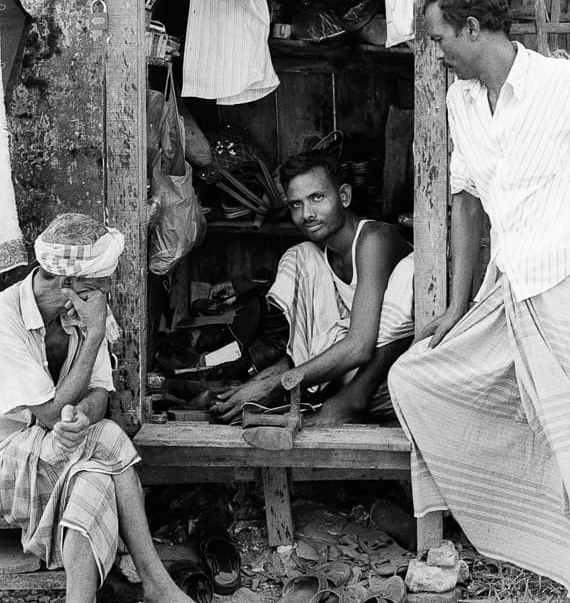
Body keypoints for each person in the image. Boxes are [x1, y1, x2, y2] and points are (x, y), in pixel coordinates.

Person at [388, 0, 570, 594]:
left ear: (473, 29)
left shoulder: (561, 85)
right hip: (507, 288)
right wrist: (458, 303)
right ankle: (517, 536)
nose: (436, 53)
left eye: (440, 38)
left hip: (562, 282)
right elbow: (465, 201)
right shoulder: (460, 101)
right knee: (415, 376)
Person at [0, 212, 197, 603]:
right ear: (68, 282)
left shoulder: (88, 308)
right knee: (107, 439)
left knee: (94, 478)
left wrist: (82, 417)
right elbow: (50, 415)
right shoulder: (4, 317)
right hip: (8, 463)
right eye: (99, 281)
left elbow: (99, 395)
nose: (106, 288)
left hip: (66, 456)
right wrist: (91, 339)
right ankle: (156, 581)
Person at [212, 149, 414, 426]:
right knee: (302, 254)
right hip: (346, 373)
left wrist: (278, 385)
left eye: (317, 198)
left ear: (343, 196)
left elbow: (360, 347)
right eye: (296, 204)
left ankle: (344, 401)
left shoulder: (374, 239)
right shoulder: (324, 257)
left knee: (410, 272)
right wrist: (262, 382)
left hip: (393, 376)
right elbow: (322, 340)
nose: (307, 214)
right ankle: (296, 389)